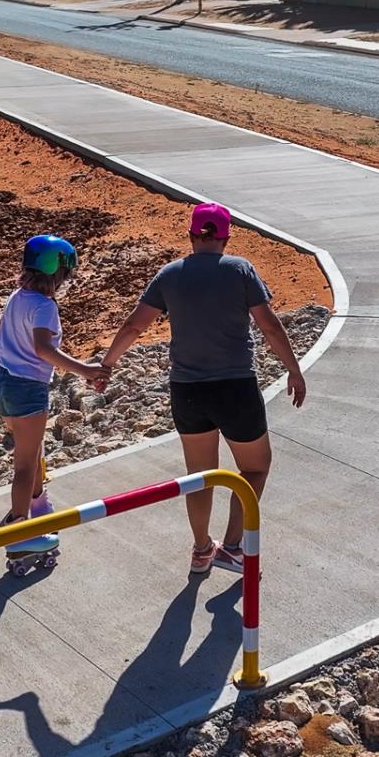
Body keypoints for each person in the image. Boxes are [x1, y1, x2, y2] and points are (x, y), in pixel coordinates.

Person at [101, 202, 307, 576]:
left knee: (199, 476)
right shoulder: (241, 269)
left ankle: (200, 551)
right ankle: (231, 547)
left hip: (186, 390)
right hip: (234, 388)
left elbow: (134, 326)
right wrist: (293, 369)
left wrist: (107, 364)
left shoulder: (169, 275)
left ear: (192, 235)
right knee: (255, 469)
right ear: (226, 237)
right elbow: (270, 326)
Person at [0, 235, 105, 526]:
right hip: (27, 388)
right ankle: (19, 531)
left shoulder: (16, 297)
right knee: (25, 466)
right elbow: (44, 349)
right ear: (59, 272)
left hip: (2, 383)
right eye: (66, 275)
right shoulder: (45, 307)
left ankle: (39, 502)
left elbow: (0, 329)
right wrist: (87, 370)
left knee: (32, 448)